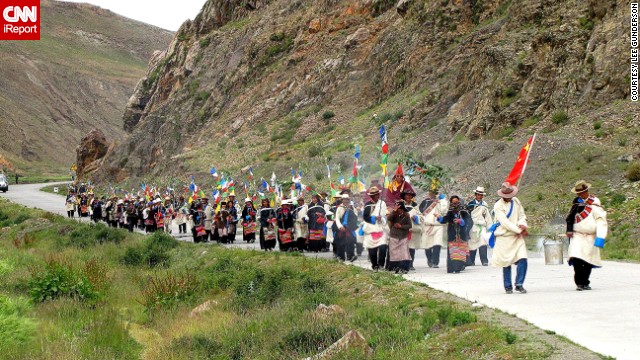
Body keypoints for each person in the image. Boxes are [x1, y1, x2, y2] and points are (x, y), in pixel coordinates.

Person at [566, 180, 607, 291]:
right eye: (579, 193)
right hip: (577, 236)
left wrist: (601, 236)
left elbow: (601, 221)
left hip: (590, 237)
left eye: (583, 192)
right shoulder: (576, 204)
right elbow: (569, 219)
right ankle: (579, 283)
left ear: (587, 191)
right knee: (577, 259)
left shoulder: (594, 204)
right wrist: (569, 230)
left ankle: (585, 282)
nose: (581, 195)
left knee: (588, 261)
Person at [492, 182, 529, 294]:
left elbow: (522, 215)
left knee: (523, 259)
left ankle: (519, 284)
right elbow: (505, 222)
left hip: (517, 237)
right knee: (506, 262)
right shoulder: (498, 206)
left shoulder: (516, 201)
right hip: (504, 237)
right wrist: (519, 230)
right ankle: (508, 286)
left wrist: (522, 224)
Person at [438, 195, 471, 274]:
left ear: (459, 201)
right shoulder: (450, 212)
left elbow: (470, 222)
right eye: (453, 202)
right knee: (452, 252)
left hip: (461, 235)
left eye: (456, 201)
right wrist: (439, 218)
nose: (455, 203)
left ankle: (458, 267)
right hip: (452, 234)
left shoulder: (463, 211)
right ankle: (451, 268)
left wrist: (461, 222)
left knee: (460, 252)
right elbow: (444, 220)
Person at [362, 186, 388, 271]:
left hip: (381, 228)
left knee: (383, 247)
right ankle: (374, 265)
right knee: (372, 249)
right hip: (371, 228)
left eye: (377, 194)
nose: (377, 196)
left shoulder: (382, 203)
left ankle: (381, 265)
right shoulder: (367, 205)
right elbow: (365, 217)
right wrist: (374, 218)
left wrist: (381, 218)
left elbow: (385, 214)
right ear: (371, 196)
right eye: (374, 195)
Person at [467, 186, 492, 266]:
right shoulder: (470, 204)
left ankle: (484, 261)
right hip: (473, 226)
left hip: (482, 226)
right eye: (478, 195)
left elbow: (487, 216)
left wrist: (490, 228)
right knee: (472, 243)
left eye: (481, 195)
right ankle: (471, 261)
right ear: (475, 195)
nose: (480, 196)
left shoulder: (485, 205)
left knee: (483, 243)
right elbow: (468, 216)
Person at [421, 192, 448, 268]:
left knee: (437, 243)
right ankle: (430, 260)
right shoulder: (425, 202)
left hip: (438, 225)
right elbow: (421, 213)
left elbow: (444, 211)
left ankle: (435, 262)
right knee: (427, 244)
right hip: (427, 225)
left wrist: (442, 200)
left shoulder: (440, 202)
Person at [387, 200, 413, 274]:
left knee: (404, 253)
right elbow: (389, 219)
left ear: (402, 209)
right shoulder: (393, 214)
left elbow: (409, 225)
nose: (398, 211)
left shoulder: (406, 215)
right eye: (397, 209)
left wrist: (401, 226)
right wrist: (394, 211)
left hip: (403, 236)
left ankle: (404, 268)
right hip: (394, 236)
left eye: (399, 209)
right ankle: (395, 268)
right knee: (395, 253)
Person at [334, 194, 359, 261]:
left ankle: (350, 256)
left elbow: (355, 217)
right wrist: (340, 226)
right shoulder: (339, 208)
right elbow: (337, 218)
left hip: (349, 227)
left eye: (347, 199)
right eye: (344, 199)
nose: (346, 201)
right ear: (342, 200)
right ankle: (341, 257)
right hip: (341, 228)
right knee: (340, 243)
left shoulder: (352, 208)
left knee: (351, 241)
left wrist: (353, 209)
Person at [403, 190, 423, 271]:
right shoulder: (400, 204)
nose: (408, 197)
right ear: (404, 196)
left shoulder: (415, 206)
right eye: (407, 195)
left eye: (410, 195)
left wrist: (416, 218)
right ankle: (404, 263)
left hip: (412, 229)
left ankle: (411, 264)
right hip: (403, 228)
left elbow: (421, 216)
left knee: (411, 247)